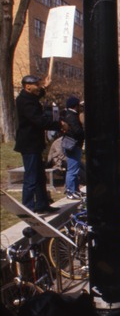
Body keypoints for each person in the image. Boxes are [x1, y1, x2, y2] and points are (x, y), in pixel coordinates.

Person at [14, 74, 64, 214]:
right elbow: (39, 120)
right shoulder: (24, 101)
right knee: (31, 177)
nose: (39, 87)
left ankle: (42, 204)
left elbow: (38, 95)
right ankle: (27, 208)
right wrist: (58, 124)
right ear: (27, 86)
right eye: (36, 85)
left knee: (40, 176)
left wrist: (45, 88)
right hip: (29, 144)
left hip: (35, 144)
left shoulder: (29, 97)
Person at [63, 96, 85, 200]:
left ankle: (75, 190)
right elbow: (77, 131)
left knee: (75, 169)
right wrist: (84, 133)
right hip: (73, 145)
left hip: (74, 145)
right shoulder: (71, 116)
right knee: (72, 170)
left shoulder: (70, 115)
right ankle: (70, 191)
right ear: (75, 106)